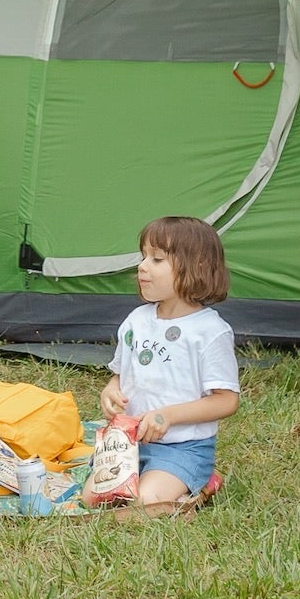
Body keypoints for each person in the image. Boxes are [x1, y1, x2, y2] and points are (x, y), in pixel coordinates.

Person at [99, 216, 239, 505]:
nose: (142, 266)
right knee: (96, 498)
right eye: (144, 257)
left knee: (144, 505)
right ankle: (158, 480)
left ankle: (203, 481)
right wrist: (110, 390)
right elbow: (122, 374)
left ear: (196, 267)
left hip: (183, 448)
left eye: (157, 259)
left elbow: (226, 400)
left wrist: (168, 416)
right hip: (130, 442)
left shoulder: (210, 332)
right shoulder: (136, 321)